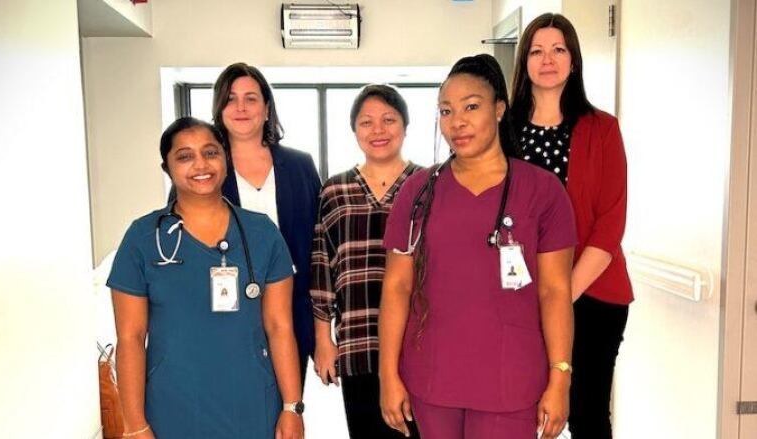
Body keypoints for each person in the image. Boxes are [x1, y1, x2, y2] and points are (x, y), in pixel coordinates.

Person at [379, 54, 577, 439]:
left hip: (512, 379)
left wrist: (561, 376)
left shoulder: (543, 191)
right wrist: (388, 375)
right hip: (433, 378)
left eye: (472, 107)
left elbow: (555, 291)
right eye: (446, 111)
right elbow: (397, 287)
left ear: (499, 109)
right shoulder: (418, 191)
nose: (458, 122)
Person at [109, 117, 304, 438]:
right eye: (184, 156)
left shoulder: (262, 232)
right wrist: (134, 425)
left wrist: (292, 407)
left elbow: (280, 326)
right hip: (172, 406)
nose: (201, 164)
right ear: (167, 167)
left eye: (210, 152)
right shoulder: (142, 237)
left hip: (253, 403)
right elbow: (130, 338)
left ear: (225, 159)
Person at [510, 13, 633, 439]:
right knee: (514, 410)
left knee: (587, 415)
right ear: (524, 61)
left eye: (558, 49)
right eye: (537, 50)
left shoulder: (602, 130)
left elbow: (609, 225)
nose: (548, 59)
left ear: (574, 60)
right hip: (515, 296)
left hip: (593, 294)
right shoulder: (504, 131)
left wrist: (560, 296)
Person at [310, 84, 421, 439]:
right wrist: (323, 341)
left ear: (405, 126)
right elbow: (322, 266)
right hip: (357, 340)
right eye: (366, 122)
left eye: (389, 120)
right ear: (354, 130)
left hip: (418, 339)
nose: (378, 130)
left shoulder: (428, 184)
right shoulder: (334, 190)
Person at [212, 63, 321, 385]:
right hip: (226, 315)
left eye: (251, 98)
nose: (241, 107)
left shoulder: (300, 166)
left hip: (291, 312)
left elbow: (319, 246)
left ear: (267, 107)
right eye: (230, 99)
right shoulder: (205, 170)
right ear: (219, 109)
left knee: (287, 410)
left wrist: (320, 326)